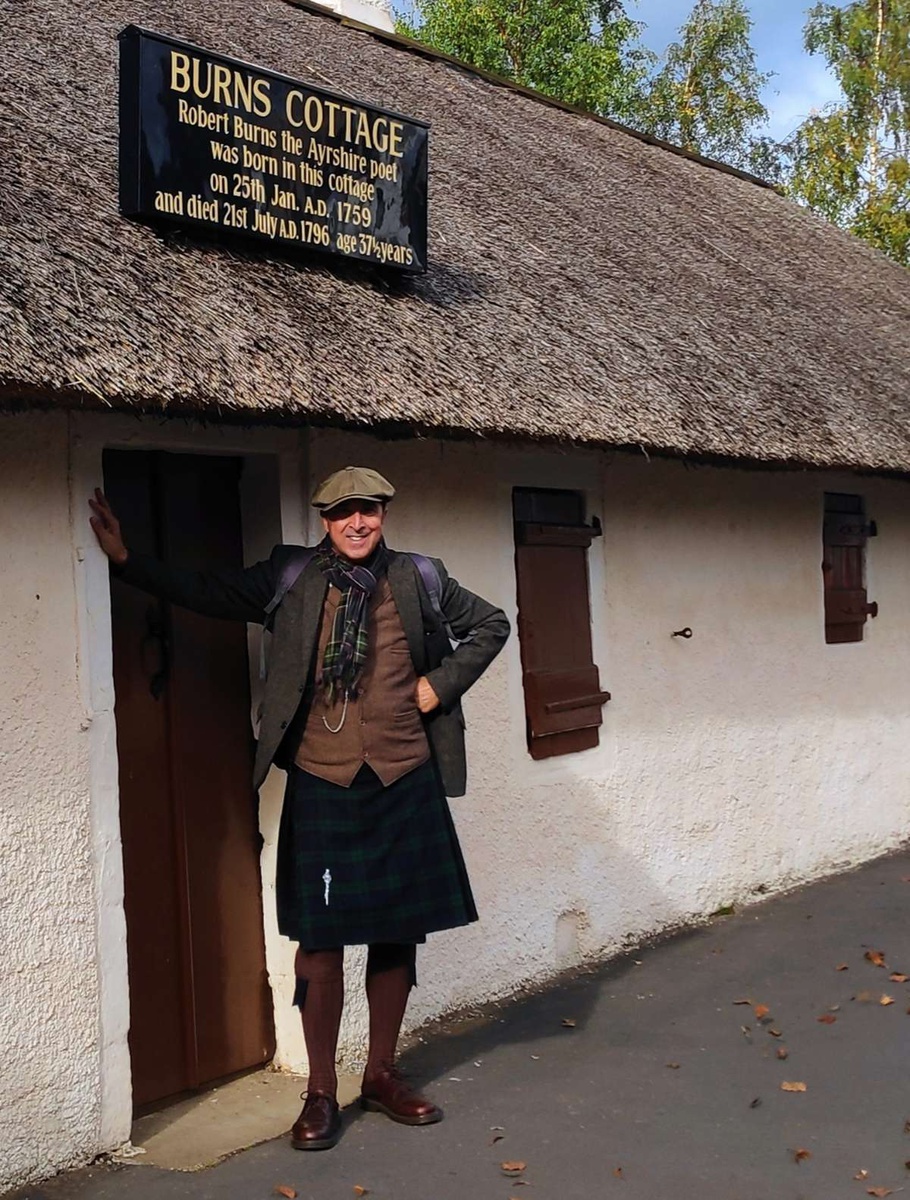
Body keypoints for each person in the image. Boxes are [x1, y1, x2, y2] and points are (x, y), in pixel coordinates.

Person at [89, 465, 509, 1151]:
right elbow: (210, 591)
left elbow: (491, 624)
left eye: (367, 510)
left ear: (383, 514)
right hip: (323, 779)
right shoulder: (291, 576)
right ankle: (319, 1091)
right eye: (343, 512)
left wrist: (441, 683)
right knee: (319, 945)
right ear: (324, 519)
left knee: (398, 934)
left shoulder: (419, 577)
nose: (356, 522)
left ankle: (381, 1074)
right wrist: (129, 561)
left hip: (404, 775)